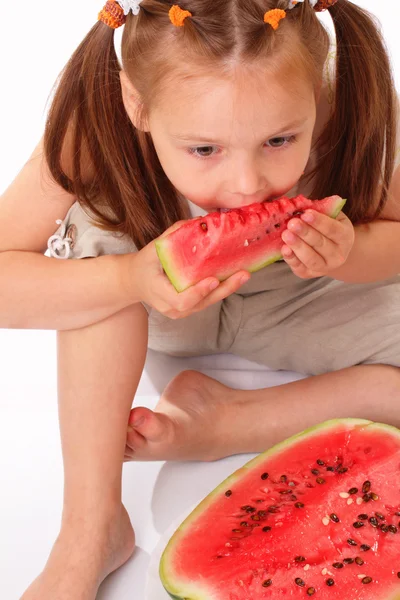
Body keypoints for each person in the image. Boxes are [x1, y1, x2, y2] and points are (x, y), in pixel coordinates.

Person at [1, 0, 400, 598]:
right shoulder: (96, 127)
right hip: (158, 310)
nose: (245, 185)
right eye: (204, 150)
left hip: (306, 303)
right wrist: (128, 280)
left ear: (316, 92)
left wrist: (349, 253)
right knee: (96, 244)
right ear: (137, 103)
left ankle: (225, 421)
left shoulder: (353, 111)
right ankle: (91, 527)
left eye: (279, 140)